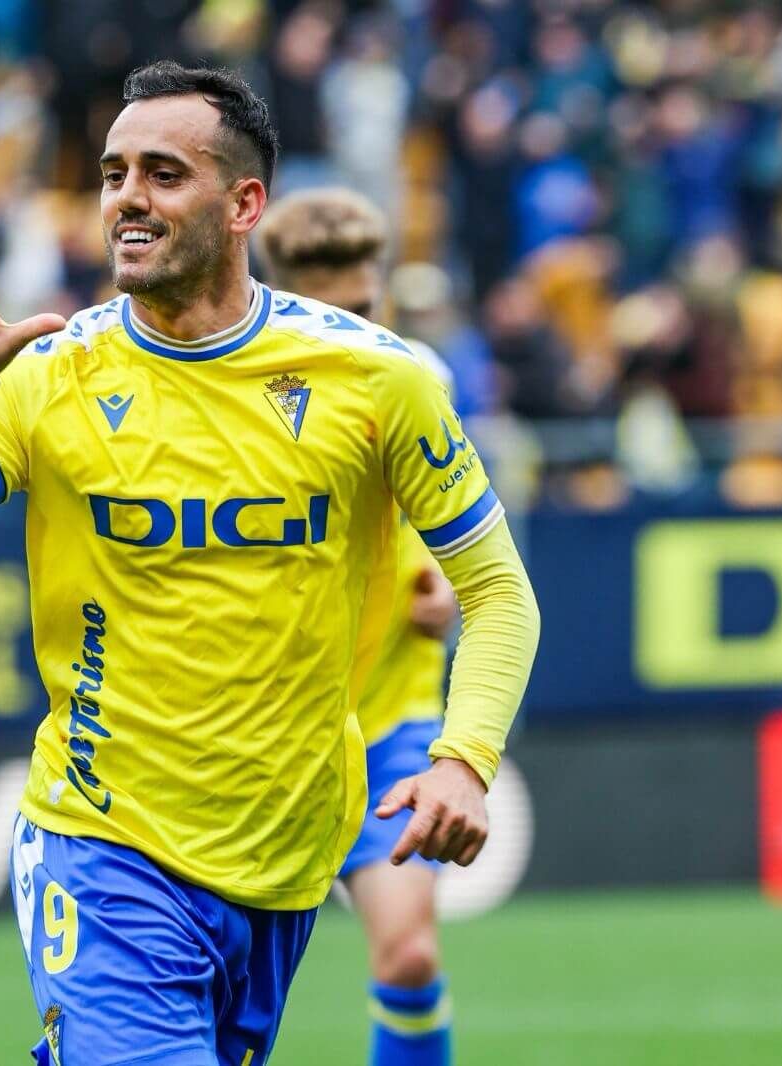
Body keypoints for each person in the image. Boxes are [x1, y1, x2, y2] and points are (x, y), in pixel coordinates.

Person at [0, 61, 540, 1065]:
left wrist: (462, 759)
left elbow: (499, 593)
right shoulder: (47, 374)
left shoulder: (377, 380)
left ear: (244, 201)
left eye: (164, 173)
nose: (127, 195)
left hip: (280, 863)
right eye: (113, 172)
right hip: (102, 846)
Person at [259, 186, 461, 1065]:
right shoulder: (234, 389)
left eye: (367, 308)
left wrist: (453, 596)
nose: (357, 331)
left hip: (387, 717)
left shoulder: (414, 376)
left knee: (410, 955)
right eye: (331, 313)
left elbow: (463, 531)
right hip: (261, 730)